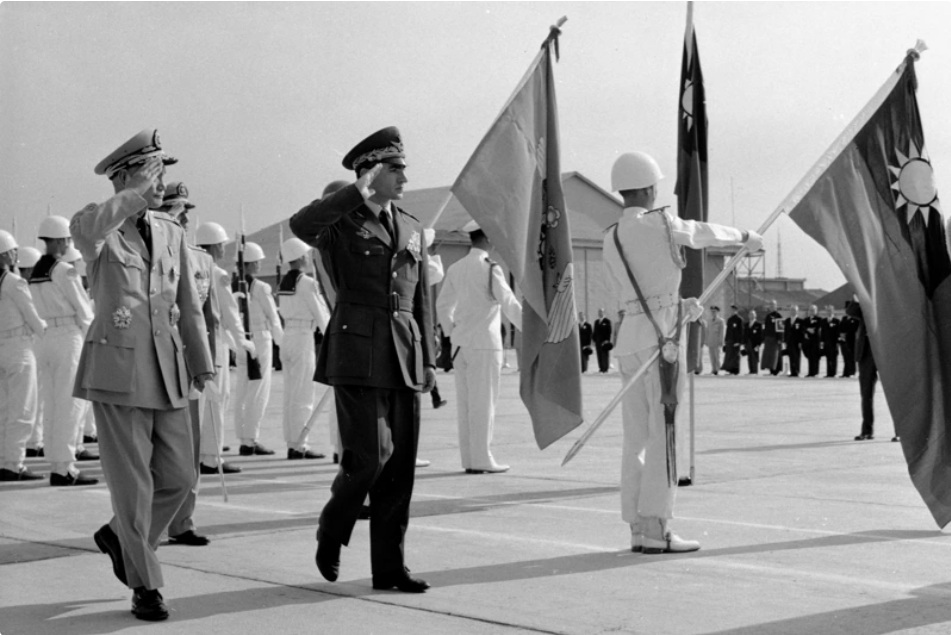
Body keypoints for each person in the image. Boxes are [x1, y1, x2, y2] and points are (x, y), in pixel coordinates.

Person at [71, 129, 214, 621]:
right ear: (125, 177)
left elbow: (188, 304)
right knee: (133, 487)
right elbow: (87, 235)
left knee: (178, 478)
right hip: (118, 371)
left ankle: (119, 537)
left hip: (168, 369)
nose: (161, 184)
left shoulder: (171, 231)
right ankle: (145, 584)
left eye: (161, 174)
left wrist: (202, 363)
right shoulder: (96, 224)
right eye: (153, 174)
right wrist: (132, 195)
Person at [290, 126, 436, 592]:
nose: (404, 179)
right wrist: (356, 190)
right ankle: (332, 529)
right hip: (357, 351)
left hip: (405, 351)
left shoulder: (412, 226)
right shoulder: (340, 221)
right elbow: (301, 226)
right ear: (370, 172)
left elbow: (422, 298)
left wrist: (429, 358)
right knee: (371, 457)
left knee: (400, 467)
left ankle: (389, 568)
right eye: (395, 170)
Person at [603, 151, 762, 553]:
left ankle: (637, 527)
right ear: (647, 188)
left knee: (635, 438)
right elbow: (700, 232)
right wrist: (745, 237)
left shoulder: (612, 235)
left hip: (632, 337)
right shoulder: (660, 223)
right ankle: (657, 528)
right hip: (662, 342)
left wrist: (679, 306)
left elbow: (639, 293)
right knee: (665, 433)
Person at [437, 221, 522, 474]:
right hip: (484, 344)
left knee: (466, 405)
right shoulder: (490, 268)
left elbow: (443, 306)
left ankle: (469, 459)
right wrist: (533, 328)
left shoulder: (456, 267)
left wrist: (452, 332)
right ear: (487, 239)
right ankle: (482, 458)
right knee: (484, 404)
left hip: (460, 345)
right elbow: (508, 303)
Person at [159, 183, 216, 547]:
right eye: (173, 210)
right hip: (155, 359)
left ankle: (182, 521)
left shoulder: (202, 260)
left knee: (189, 448)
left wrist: (206, 365)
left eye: (184, 211)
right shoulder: (148, 254)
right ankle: (144, 525)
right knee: (154, 449)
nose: (182, 218)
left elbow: (207, 318)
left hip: (187, 363)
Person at [30, 215, 97, 486]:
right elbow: (83, 309)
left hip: (46, 337)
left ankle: (57, 462)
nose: (69, 243)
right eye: (67, 239)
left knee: (52, 404)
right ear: (60, 240)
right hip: (68, 337)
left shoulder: (36, 270)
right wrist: (93, 341)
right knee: (71, 403)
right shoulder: (64, 270)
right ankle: (65, 467)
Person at [195, 221, 249, 476]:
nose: (224, 249)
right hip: (216, 344)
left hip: (198, 343)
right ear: (215, 246)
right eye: (222, 245)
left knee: (201, 403)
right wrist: (242, 342)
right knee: (218, 401)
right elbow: (230, 314)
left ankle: (201, 453)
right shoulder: (217, 274)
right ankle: (211, 457)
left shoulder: (193, 269)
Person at [277, 236, 330, 460]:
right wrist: (333, 337)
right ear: (300, 257)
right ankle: (300, 444)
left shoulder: (284, 283)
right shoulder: (307, 283)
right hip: (302, 338)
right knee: (303, 393)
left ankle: (292, 441)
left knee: (291, 394)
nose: (308, 258)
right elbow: (321, 314)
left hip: (287, 336)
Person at [0, 230, 46, 481]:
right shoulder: (14, 283)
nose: (16, 254)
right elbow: (32, 317)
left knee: (4, 409)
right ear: (5, 254)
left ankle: (3, 460)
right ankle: (14, 464)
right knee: (22, 409)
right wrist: (48, 332)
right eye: (12, 250)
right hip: (18, 348)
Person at [232, 241, 283, 456]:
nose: (260, 265)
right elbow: (273, 317)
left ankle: (244, 437)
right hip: (260, 339)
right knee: (259, 391)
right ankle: (251, 438)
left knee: (243, 391)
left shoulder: (233, 285)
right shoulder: (261, 288)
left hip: (241, 340)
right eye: (258, 262)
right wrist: (282, 344)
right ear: (251, 264)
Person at [849, 300, 898, 442]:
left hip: (886, 353)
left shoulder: (888, 301)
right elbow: (851, 311)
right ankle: (866, 431)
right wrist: (856, 299)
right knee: (866, 394)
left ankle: (899, 431)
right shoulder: (866, 304)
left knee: (894, 395)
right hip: (866, 354)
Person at [761, 300, 784, 375]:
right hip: (768, 339)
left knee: (775, 355)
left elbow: (781, 329)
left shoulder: (778, 316)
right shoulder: (768, 316)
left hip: (775, 339)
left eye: (773, 305)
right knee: (769, 355)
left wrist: (780, 339)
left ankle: (775, 371)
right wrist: (764, 337)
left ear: (776, 306)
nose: (771, 306)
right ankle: (771, 370)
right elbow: (765, 328)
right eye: (770, 305)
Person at [783, 305, 805, 377]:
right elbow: (786, 331)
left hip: (797, 342)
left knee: (797, 357)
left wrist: (801, 342)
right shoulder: (787, 320)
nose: (793, 311)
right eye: (792, 310)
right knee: (791, 357)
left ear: (797, 311)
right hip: (789, 342)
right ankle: (792, 372)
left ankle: (797, 371)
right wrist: (785, 341)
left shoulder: (800, 321)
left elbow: (802, 332)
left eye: (794, 310)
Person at [802, 305, 823, 377]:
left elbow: (818, 327)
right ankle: (810, 372)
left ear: (816, 311)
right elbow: (803, 327)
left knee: (815, 357)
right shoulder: (806, 320)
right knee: (810, 357)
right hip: (808, 341)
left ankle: (815, 372)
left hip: (816, 341)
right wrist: (807, 329)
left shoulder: (819, 319)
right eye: (810, 310)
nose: (811, 311)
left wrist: (812, 330)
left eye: (813, 310)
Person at [722, 305, 744, 375]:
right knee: (729, 356)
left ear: (736, 311)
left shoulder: (739, 319)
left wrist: (739, 341)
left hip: (735, 341)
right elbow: (728, 331)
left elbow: (741, 332)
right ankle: (730, 369)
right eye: (731, 310)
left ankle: (735, 370)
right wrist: (725, 341)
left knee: (735, 356)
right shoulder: (729, 319)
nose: (732, 311)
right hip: (729, 340)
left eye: (733, 310)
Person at [704, 306, 725, 375]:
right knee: (712, 356)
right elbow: (707, 331)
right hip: (710, 340)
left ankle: (718, 369)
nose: (713, 313)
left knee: (717, 356)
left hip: (717, 341)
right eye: (712, 311)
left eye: (714, 311)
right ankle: (713, 369)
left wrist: (721, 341)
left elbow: (722, 332)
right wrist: (706, 340)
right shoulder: (709, 320)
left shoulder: (720, 321)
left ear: (717, 312)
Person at [839, 303, 859, 378]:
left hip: (852, 340)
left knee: (851, 357)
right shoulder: (844, 318)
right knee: (845, 357)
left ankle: (852, 372)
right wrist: (841, 334)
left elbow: (855, 329)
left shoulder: (855, 319)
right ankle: (846, 372)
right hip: (843, 340)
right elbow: (840, 327)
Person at [822, 304, 840, 378]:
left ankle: (833, 372)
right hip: (826, 343)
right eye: (828, 310)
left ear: (833, 311)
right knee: (828, 357)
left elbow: (838, 332)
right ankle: (829, 373)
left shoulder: (837, 321)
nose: (829, 312)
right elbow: (822, 332)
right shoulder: (823, 321)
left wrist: (838, 342)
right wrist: (822, 342)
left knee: (834, 358)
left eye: (830, 310)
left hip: (834, 343)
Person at [593, 308, 613, 373]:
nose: (600, 313)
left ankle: (605, 368)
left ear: (604, 313)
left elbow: (609, 331)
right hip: (598, 341)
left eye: (601, 312)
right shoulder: (596, 322)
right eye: (599, 312)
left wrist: (607, 340)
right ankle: (601, 368)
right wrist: (594, 339)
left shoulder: (607, 321)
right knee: (599, 354)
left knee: (605, 355)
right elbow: (594, 332)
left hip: (604, 341)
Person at [744, 310, 763, 375]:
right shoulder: (746, 324)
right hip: (748, 343)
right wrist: (744, 343)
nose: (751, 315)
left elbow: (761, 336)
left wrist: (758, 344)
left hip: (755, 344)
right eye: (750, 314)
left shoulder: (758, 324)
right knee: (749, 357)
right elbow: (744, 334)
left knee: (754, 357)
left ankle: (755, 371)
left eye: (752, 314)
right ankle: (751, 370)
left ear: (755, 315)